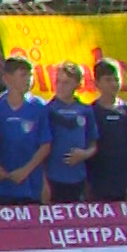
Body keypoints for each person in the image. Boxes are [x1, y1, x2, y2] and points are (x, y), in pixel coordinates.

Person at [0, 55, 51, 206]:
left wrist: (26, 170)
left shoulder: (39, 107)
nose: (29, 79)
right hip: (2, 185)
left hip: (30, 184)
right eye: (23, 75)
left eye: (30, 75)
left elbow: (46, 145)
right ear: (7, 79)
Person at [87, 59, 127, 202]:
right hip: (98, 183)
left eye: (116, 79)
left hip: (123, 182)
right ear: (97, 84)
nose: (113, 84)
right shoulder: (90, 112)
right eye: (108, 80)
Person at [44, 61, 98, 203]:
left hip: (78, 177)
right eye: (58, 82)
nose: (60, 86)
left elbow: (93, 144)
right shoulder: (47, 110)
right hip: (52, 177)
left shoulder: (86, 110)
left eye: (66, 83)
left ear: (77, 85)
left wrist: (84, 154)